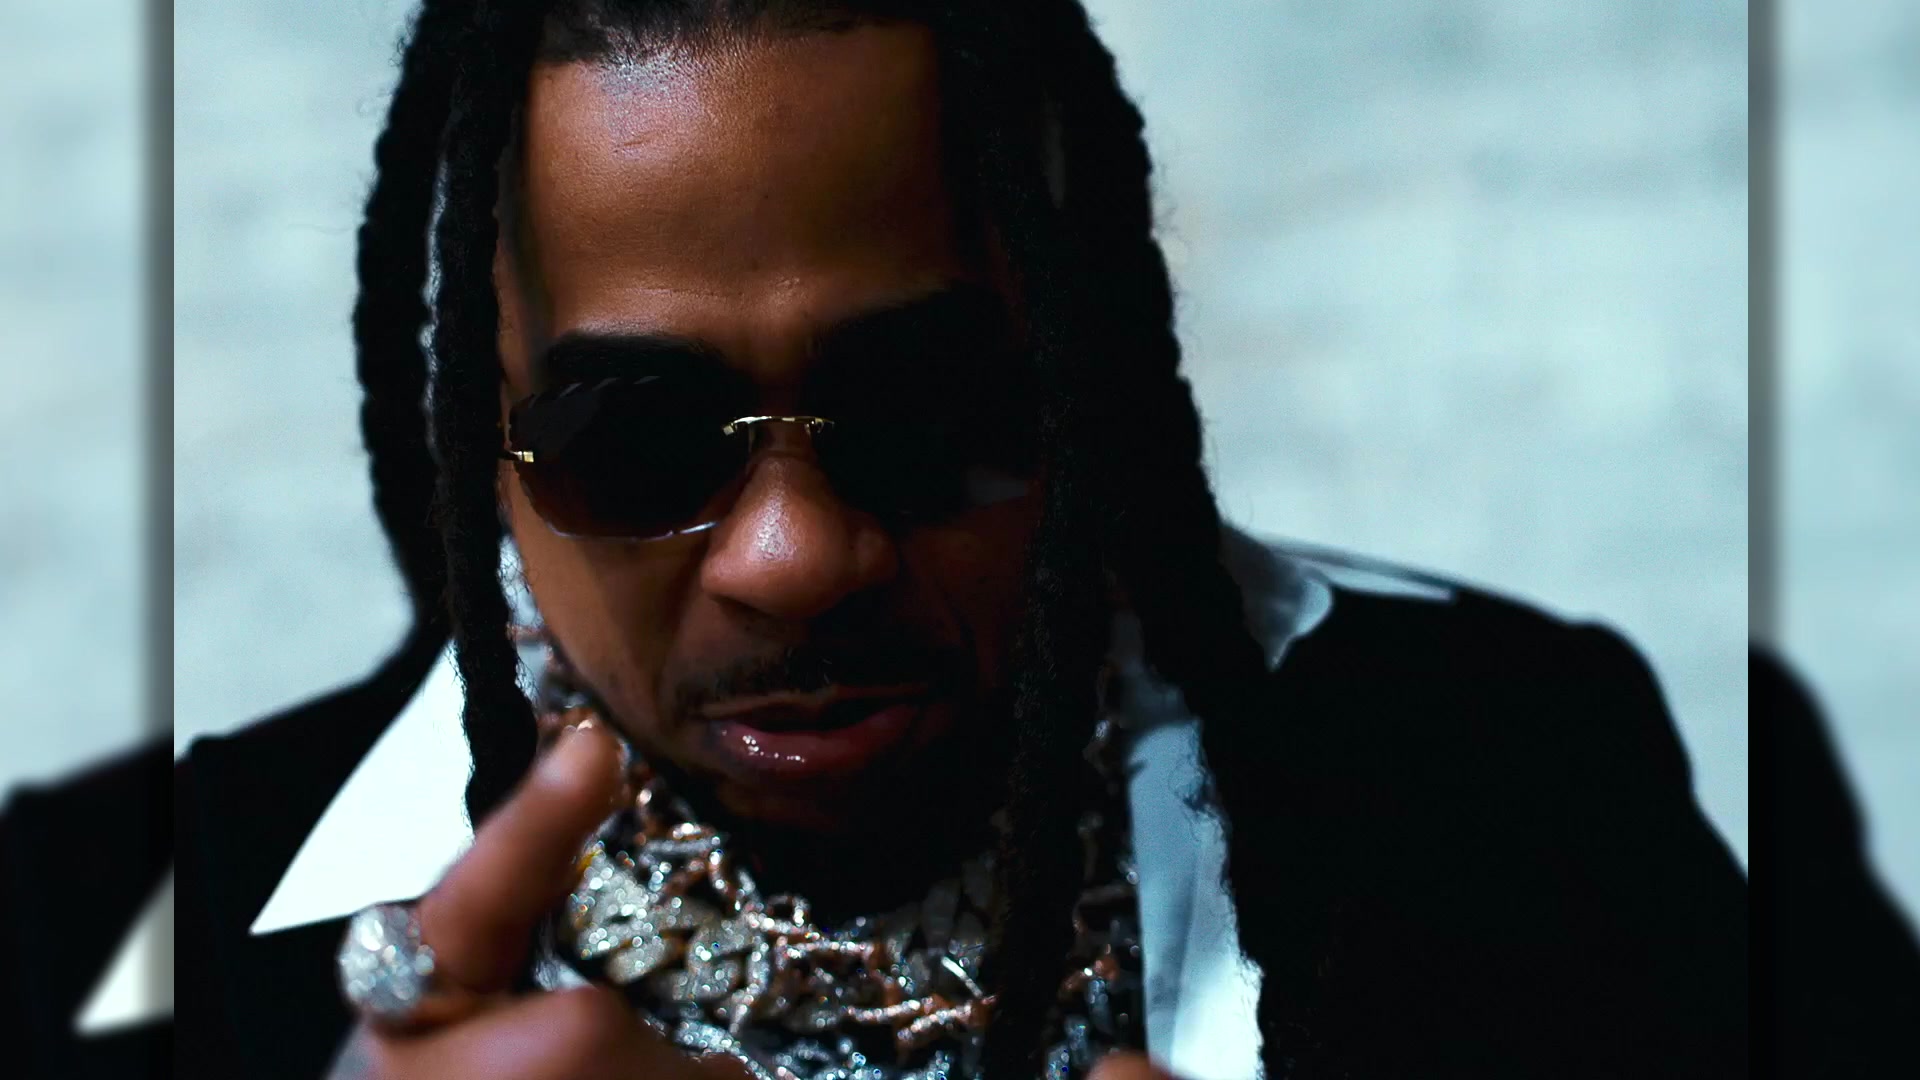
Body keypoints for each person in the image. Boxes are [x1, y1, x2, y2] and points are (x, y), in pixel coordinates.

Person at [173, 2, 1749, 1078]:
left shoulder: (1527, 782)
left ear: (1084, 381)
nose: (793, 556)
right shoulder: (159, 920)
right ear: (483, 440)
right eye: (633, 439)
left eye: (927, 411)